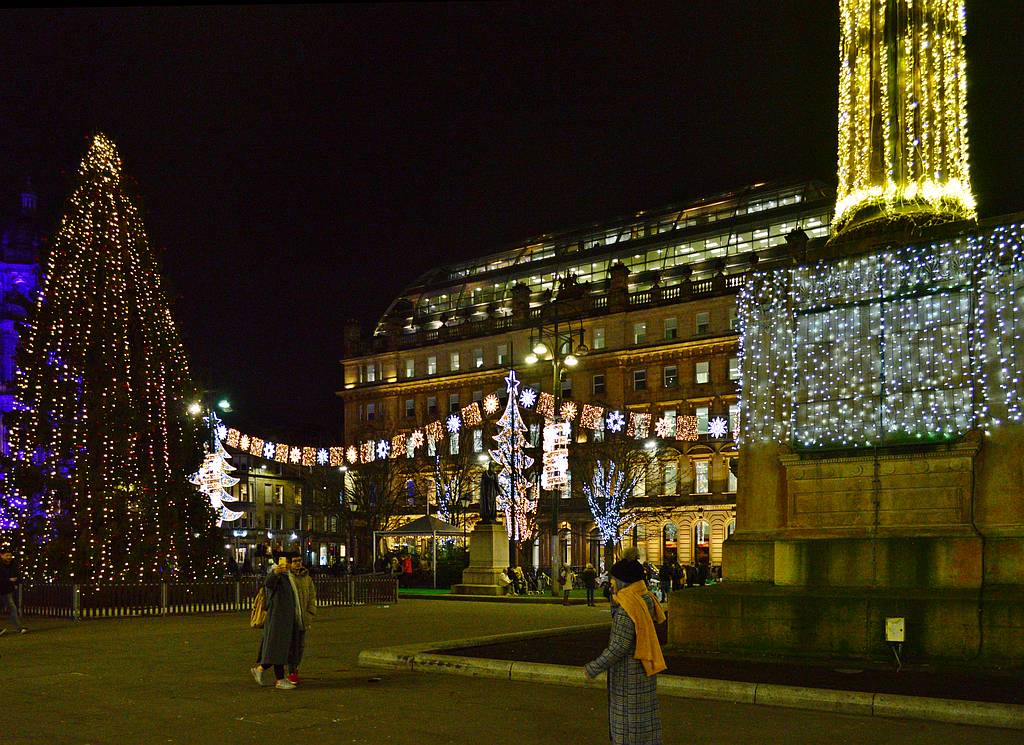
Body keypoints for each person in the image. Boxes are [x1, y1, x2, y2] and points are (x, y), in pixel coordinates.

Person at [584, 548, 666, 744]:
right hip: (644, 670)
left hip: (627, 676)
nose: (611, 583)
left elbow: (618, 647)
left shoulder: (627, 609)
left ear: (623, 582)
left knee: (628, 728)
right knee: (645, 723)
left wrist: (594, 667)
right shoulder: (645, 600)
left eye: (614, 579)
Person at [251, 552, 317, 690]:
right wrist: (275, 572)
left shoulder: (292, 576)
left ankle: (264, 671)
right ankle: (279, 679)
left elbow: (307, 596)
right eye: (293, 561)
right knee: (278, 649)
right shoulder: (280, 575)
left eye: (299, 560)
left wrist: (308, 613)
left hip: (290, 618)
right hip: (279, 618)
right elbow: (268, 583)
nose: (297, 563)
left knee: (284, 649)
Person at [0, 547, 26, 635]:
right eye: (7, 555)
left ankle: (19, 628)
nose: (9, 557)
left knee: (12, 608)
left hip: (6, 590)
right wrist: (9, 580)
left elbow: (17, 575)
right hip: (3, 588)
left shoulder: (13, 565)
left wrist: (16, 582)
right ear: (1, 556)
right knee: (12, 608)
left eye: (10, 555)